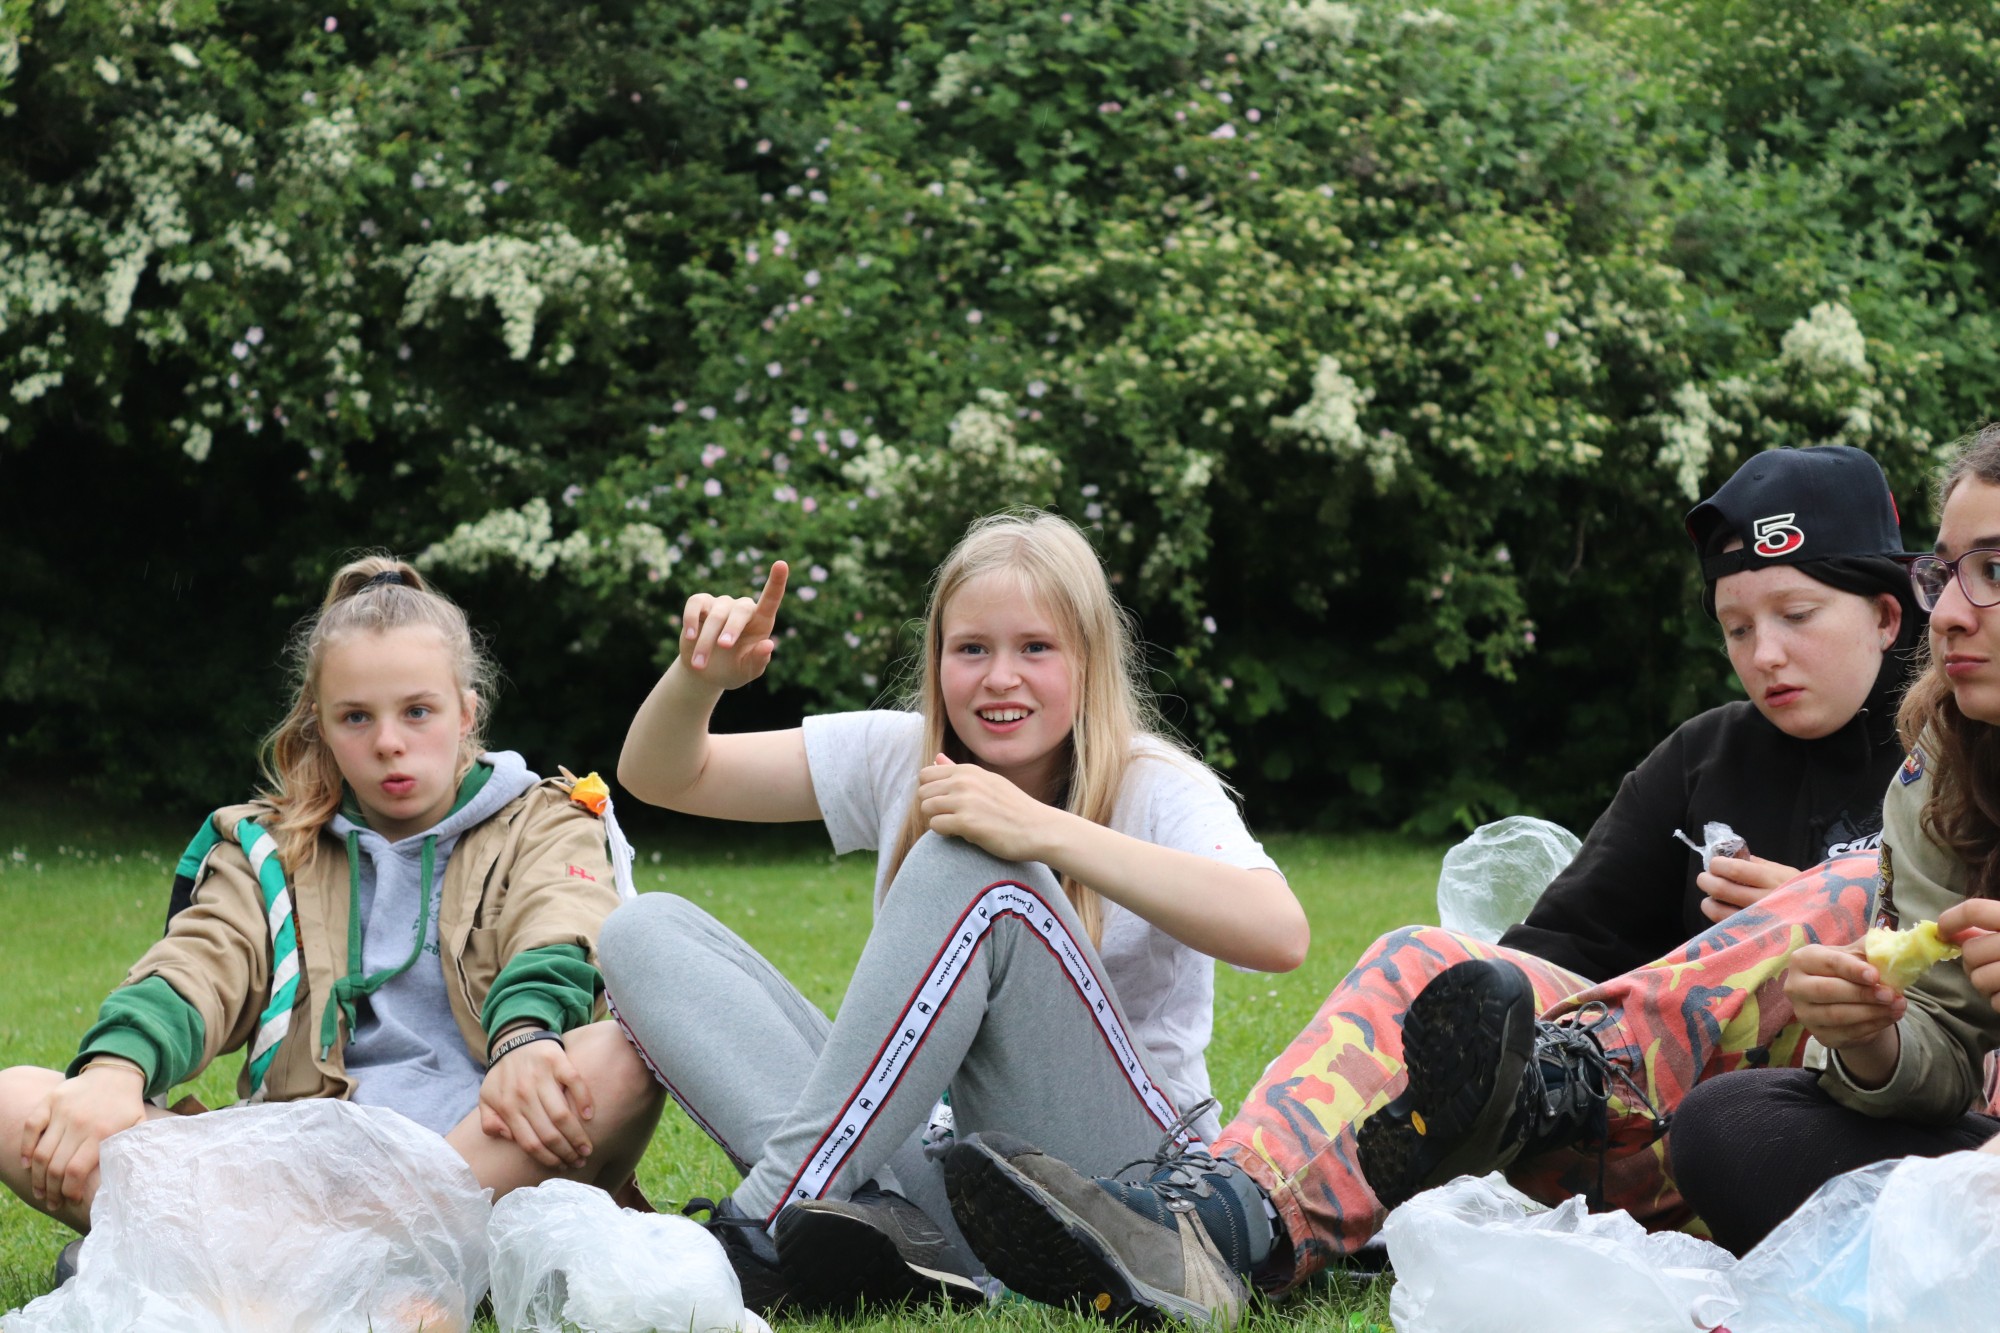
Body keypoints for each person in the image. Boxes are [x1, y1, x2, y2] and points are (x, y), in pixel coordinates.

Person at [937, 445, 1923, 1325]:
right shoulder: (1705, 756)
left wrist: (1806, 921)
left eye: (1795, 616)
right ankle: (1219, 1221)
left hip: (1818, 1146)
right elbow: (1534, 966)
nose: (1763, 653)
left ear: (1886, 613)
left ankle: (1538, 1097)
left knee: (1843, 895)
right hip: (1632, 1140)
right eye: (1736, 627)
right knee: (1427, 960)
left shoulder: (1951, 762)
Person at [600, 510, 1308, 1316]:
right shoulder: (901, 755)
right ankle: (891, 1241)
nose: (1000, 676)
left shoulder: (1154, 783)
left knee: (970, 859)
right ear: (938, 659)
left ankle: (766, 1220)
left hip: (1125, 1196)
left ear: (1090, 661)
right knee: (641, 931)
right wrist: (699, 679)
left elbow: (1279, 931)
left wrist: (1038, 830)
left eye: (1035, 648)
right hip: (953, 1181)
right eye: (971, 649)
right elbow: (662, 774)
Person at [0, 556, 665, 1285]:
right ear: (321, 725)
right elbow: (200, 960)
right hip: (298, 1168)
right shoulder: (266, 848)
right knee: (15, 1103)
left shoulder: (545, 819)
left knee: (622, 1054)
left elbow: (561, 924)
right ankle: (377, 1275)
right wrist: (115, 1069)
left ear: (467, 713)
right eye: (356, 717)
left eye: (418, 712)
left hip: (486, 1149)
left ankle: (265, 1270)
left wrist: (524, 1039)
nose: (388, 742)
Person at [1669, 426, 2000, 1254]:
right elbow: (1944, 1041)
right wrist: (1872, 1038)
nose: (1947, 614)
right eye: (1945, 573)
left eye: (1995, 572)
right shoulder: (1943, 763)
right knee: (1729, 1126)